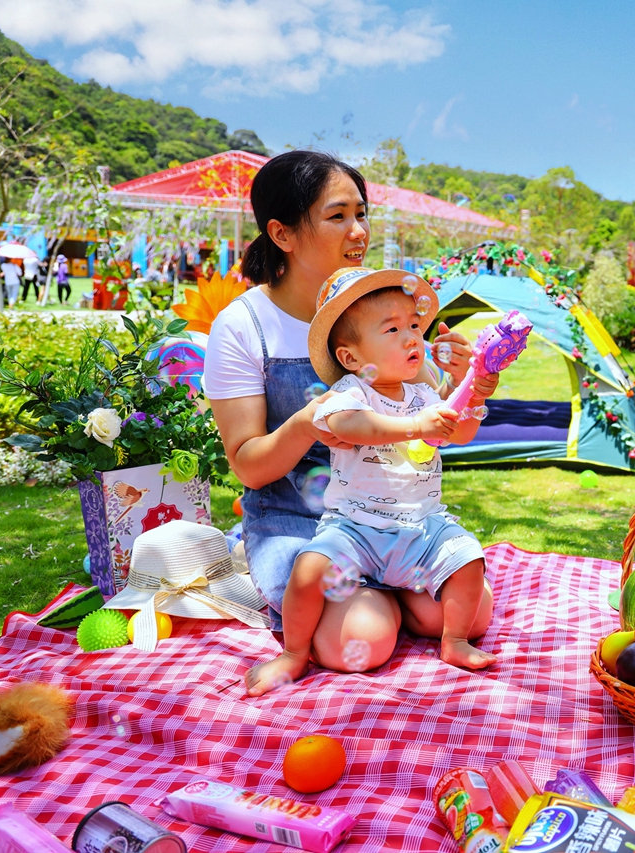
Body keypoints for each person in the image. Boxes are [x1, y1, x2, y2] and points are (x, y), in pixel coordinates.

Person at [202, 150, 490, 696]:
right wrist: (311, 422)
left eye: (362, 214)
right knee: (361, 642)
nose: (358, 232)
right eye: (337, 216)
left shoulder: (385, 311)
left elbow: (425, 425)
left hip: (396, 514)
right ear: (282, 233)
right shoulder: (244, 325)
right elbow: (249, 467)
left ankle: (394, 587)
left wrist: (460, 381)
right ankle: (385, 596)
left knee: (466, 618)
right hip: (297, 518)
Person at [240, 267, 499, 694]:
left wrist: (476, 394)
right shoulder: (351, 392)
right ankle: (293, 652)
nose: (412, 337)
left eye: (415, 326)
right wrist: (415, 426)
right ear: (352, 359)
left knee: (470, 559)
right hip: (355, 528)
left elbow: (462, 431)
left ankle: (454, 641)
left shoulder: (423, 395)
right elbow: (349, 423)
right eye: (393, 329)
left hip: (420, 527)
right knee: (307, 570)